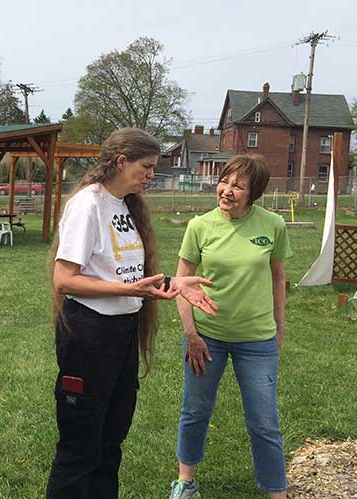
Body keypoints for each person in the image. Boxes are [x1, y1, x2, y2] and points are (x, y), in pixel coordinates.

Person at [45, 128, 218, 499]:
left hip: (120, 334)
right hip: (89, 335)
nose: (152, 174)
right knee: (80, 447)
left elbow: (122, 272)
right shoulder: (88, 205)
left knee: (110, 443)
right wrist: (130, 290)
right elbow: (64, 280)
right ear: (120, 161)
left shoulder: (123, 205)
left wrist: (172, 283)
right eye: (147, 166)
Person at [168, 154, 292, 499]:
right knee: (195, 411)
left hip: (257, 340)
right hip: (207, 337)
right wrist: (191, 335)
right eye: (224, 182)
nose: (226, 190)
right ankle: (185, 483)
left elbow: (278, 277)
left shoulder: (273, 225)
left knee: (264, 422)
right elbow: (181, 282)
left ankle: (276, 492)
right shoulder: (200, 226)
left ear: (254, 194)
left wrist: (279, 329)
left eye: (238, 186)